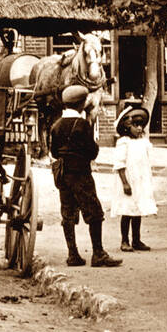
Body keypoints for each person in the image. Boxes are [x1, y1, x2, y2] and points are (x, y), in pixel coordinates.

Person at [49, 84, 123, 267]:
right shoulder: (83, 125)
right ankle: (98, 254)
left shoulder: (56, 126)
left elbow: (53, 151)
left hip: (62, 175)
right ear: (82, 104)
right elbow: (92, 152)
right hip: (81, 174)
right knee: (94, 213)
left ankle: (73, 254)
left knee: (68, 213)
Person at [111, 104, 156, 251]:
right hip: (129, 180)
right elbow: (119, 164)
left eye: (141, 126)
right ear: (126, 127)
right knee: (127, 210)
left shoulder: (143, 142)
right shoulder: (124, 142)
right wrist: (125, 183)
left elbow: (146, 160)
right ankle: (125, 240)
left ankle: (137, 240)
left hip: (140, 180)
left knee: (138, 210)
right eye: (135, 126)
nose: (139, 129)